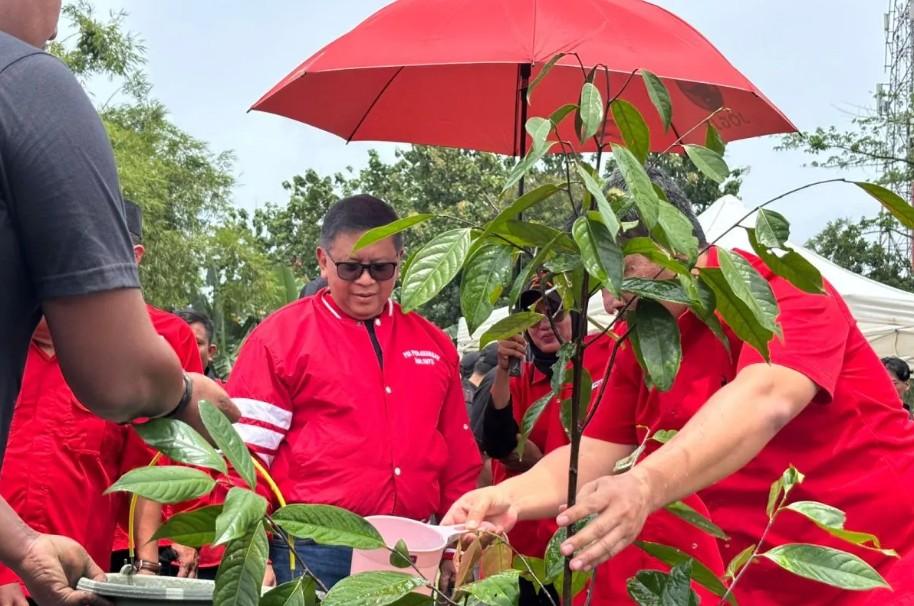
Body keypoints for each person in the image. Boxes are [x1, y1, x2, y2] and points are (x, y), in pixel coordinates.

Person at [444, 169, 914, 605]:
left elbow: (766, 398)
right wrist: (507, 499)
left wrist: (644, 484)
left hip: (876, 565)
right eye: (601, 282)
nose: (611, 299)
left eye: (624, 271)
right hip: (750, 578)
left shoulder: (776, 292)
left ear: (675, 243)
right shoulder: (645, 341)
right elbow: (598, 450)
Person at [0, 4, 238, 603]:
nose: (55, 26)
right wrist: (181, 396)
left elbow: (145, 474)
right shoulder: (26, 84)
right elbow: (119, 378)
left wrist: (22, 548)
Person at [227, 195, 481, 589]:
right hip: (311, 548)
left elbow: (458, 457)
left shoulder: (433, 344)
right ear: (323, 260)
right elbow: (245, 458)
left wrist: (452, 549)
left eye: (381, 269)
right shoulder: (279, 339)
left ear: (400, 262)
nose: (366, 281)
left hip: (412, 548)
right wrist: (250, 553)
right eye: (350, 268)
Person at [0, 201, 206, 604]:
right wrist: (8, 566)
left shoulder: (144, 346)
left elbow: (151, 463)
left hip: (78, 573)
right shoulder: (11, 336)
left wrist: (150, 561)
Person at [479, 282, 721, 604]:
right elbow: (502, 442)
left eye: (555, 311)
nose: (544, 324)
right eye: (532, 317)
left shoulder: (609, 353)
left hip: (621, 529)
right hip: (548, 534)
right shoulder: (527, 375)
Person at [176, 309, 221, 381]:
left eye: (195, 343)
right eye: (175, 342)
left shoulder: (224, 388)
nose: (184, 350)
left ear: (210, 352)